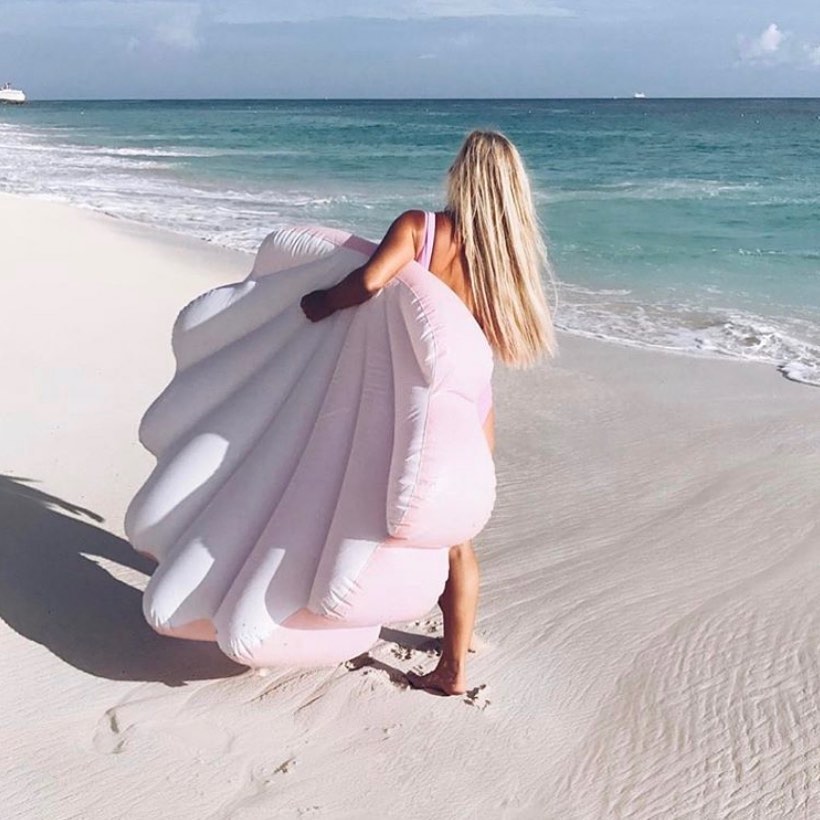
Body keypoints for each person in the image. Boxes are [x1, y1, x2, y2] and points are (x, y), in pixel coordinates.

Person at [301, 130, 556, 695]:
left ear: (460, 175)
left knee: (367, 509)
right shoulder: (508, 259)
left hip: (410, 401)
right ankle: (456, 651)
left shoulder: (421, 228)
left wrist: (318, 304)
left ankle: (383, 633)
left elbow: (368, 282)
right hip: (471, 407)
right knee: (455, 536)